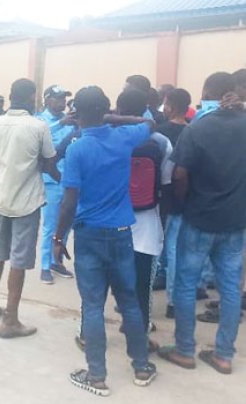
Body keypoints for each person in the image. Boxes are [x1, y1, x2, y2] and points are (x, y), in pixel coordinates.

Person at [53, 86, 157, 396]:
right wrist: (115, 117)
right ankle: (141, 367)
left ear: (76, 115)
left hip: (88, 235)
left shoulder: (76, 149)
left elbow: (70, 200)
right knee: (130, 303)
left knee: (94, 305)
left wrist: (59, 238)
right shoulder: (123, 137)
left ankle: (96, 376)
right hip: (122, 234)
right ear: (106, 109)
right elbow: (149, 121)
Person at [158, 72, 246, 376]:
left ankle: (184, 349)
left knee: (184, 283)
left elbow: (179, 175)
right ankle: (223, 355)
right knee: (230, 288)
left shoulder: (199, 128)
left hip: (199, 218)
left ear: (208, 93)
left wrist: (184, 203)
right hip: (236, 221)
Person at [0, 78, 60, 339]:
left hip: (1, 197)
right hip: (26, 202)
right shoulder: (39, 126)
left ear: (11, 95)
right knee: (19, 260)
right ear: (33, 98)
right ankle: (11, 320)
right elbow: (49, 164)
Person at [116, 88, 173, 352]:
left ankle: (102, 327)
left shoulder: (109, 137)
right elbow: (166, 182)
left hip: (114, 220)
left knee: (112, 279)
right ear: (146, 109)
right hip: (147, 223)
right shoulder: (160, 141)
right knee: (142, 285)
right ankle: (139, 331)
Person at [153, 88, 192, 306]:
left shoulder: (161, 132)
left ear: (171, 106)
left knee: (161, 246)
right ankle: (173, 300)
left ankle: (161, 299)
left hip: (163, 196)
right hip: (187, 195)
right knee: (176, 247)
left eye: (165, 104)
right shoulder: (194, 131)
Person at [36, 85, 76, 285]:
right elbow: (37, 135)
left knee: (66, 224)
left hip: (69, 180)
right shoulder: (40, 120)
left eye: (64, 98)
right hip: (51, 181)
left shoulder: (69, 121)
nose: (62, 102)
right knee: (50, 225)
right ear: (47, 100)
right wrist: (61, 123)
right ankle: (44, 265)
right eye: (58, 98)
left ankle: (56, 260)